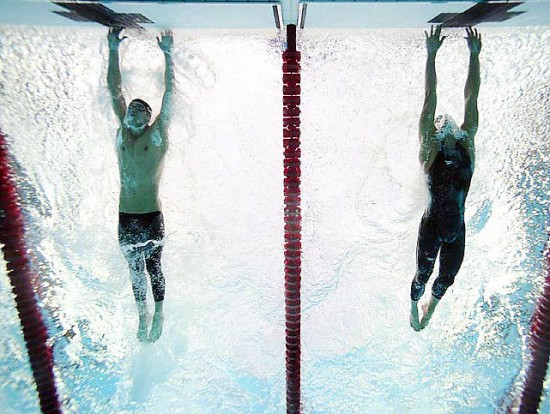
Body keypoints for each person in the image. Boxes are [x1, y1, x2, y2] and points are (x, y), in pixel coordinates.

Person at [410, 26, 481, 331]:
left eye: (445, 120)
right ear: (437, 129)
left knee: (447, 278)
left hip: (456, 229)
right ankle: (414, 306)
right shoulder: (430, 147)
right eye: (440, 122)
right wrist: (431, 54)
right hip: (433, 225)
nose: (444, 121)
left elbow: (471, 96)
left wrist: (474, 56)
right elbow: (430, 97)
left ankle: (431, 307)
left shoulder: (468, 141)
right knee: (423, 276)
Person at [107, 27, 174, 342]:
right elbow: (114, 90)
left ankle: (159, 313)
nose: (131, 113)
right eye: (129, 109)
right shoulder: (122, 135)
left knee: (153, 268)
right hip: (125, 217)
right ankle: (141, 315)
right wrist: (112, 51)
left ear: (148, 119)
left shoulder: (156, 136)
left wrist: (168, 55)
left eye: (138, 111)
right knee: (134, 271)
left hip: (149, 217)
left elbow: (169, 96)